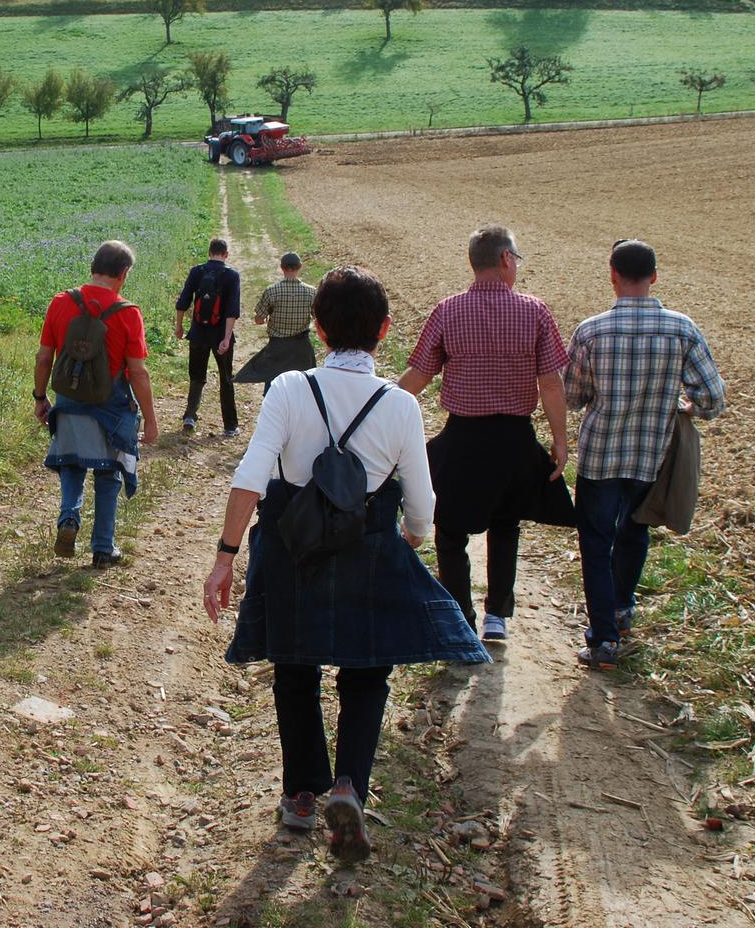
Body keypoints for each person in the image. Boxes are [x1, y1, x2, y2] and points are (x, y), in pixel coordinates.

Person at [204, 266, 489, 862]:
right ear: (384, 330)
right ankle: (349, 786)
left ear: (318, 327)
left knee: (294, 672)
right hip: (370, 551)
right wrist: (409, 539)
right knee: (367, 676)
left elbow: (251, 475)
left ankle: (300, 797)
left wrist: (225, 557)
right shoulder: (400, 404)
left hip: (291, 550)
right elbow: (422, 505)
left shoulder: (289, 389)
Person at [398, 224, 574, 644]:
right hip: (514, 439)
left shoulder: (448, 310)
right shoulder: (535, 311)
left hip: (463, 438)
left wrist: (374, 407)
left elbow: (419, 375)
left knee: (450, 530)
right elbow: (551, 384)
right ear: (506, 258)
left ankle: (461, 619)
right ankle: (497, 616)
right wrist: (560, 439)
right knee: (506, 524)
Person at [564, 240, 726, 669]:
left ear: (612, 276)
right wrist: (684, 407)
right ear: (654, 276)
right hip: (652, 453)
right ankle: (621, 610)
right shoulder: (682, 329)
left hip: (600, 454)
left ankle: (604, 640)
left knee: (595, 543)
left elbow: (572, 397)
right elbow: (712, 398)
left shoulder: (591, 331)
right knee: (635, 530)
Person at [35, 240, 160, 570]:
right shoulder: (128, 312)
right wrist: (150, 419)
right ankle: (103, 548)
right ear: (124, 273)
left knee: (71, 464)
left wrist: (40, 397)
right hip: (110, 406)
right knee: (109, 472)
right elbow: (138, 372)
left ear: (93, 267)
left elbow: (44, 357)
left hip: (69, 401)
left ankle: (69, 517)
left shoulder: (61, 302)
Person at [175, 237, 242, 436]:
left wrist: (179, 326)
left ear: (209, 252)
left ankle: (190, 416)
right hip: (220, 334)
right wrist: (227, 338)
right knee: (226, 378)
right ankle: (230, 426)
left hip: (198, 333)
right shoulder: (232, 276)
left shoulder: (197, 271)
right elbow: (232, 310)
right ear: (226, 255)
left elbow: (183, 300)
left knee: (196, 376)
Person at [234, 251, 318, 394]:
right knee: (303, 389)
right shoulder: (311, 292)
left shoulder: (272, 291)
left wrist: (267, 318)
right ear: (300, 267)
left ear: (282, 267)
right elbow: (317, 317)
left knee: (273, 388)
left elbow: (259, 320)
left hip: (278, 347)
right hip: (302, 349)